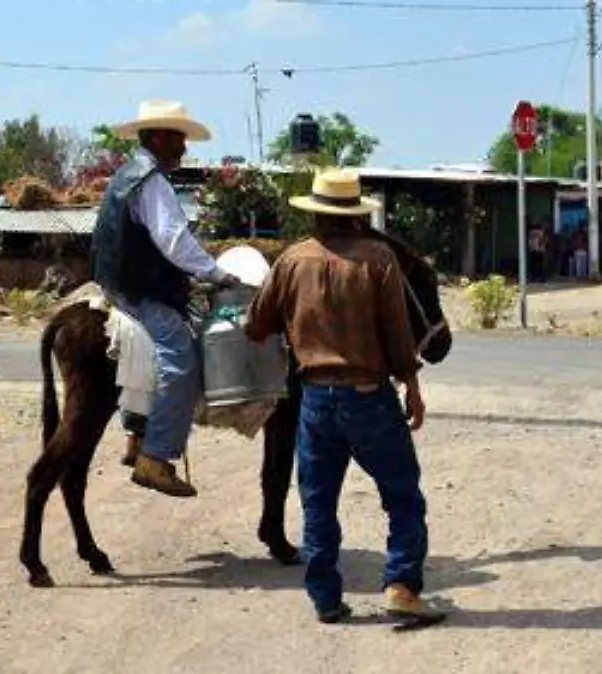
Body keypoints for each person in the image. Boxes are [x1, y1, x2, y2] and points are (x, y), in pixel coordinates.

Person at [244, 168, 444, 627]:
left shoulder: (292, 261)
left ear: (315, 215)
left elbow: (256, 326)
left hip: (314, 398)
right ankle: (401, 587)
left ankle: (326, 599)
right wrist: (411, 385)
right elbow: (398, 332)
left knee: (318, 501)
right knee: (402, 496)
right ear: (355, 215)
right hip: (369, 395)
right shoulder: (378, 259)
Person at [89, 99, 239, 499]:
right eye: (178, 139)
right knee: (181, 359)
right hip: (141, 291)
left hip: (118, 284)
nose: (184, 148)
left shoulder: (127, 174)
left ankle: (137, 436)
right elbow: (174, 241)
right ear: (157, 136)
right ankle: (155, 457)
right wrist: (215, 273)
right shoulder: (151, 181)